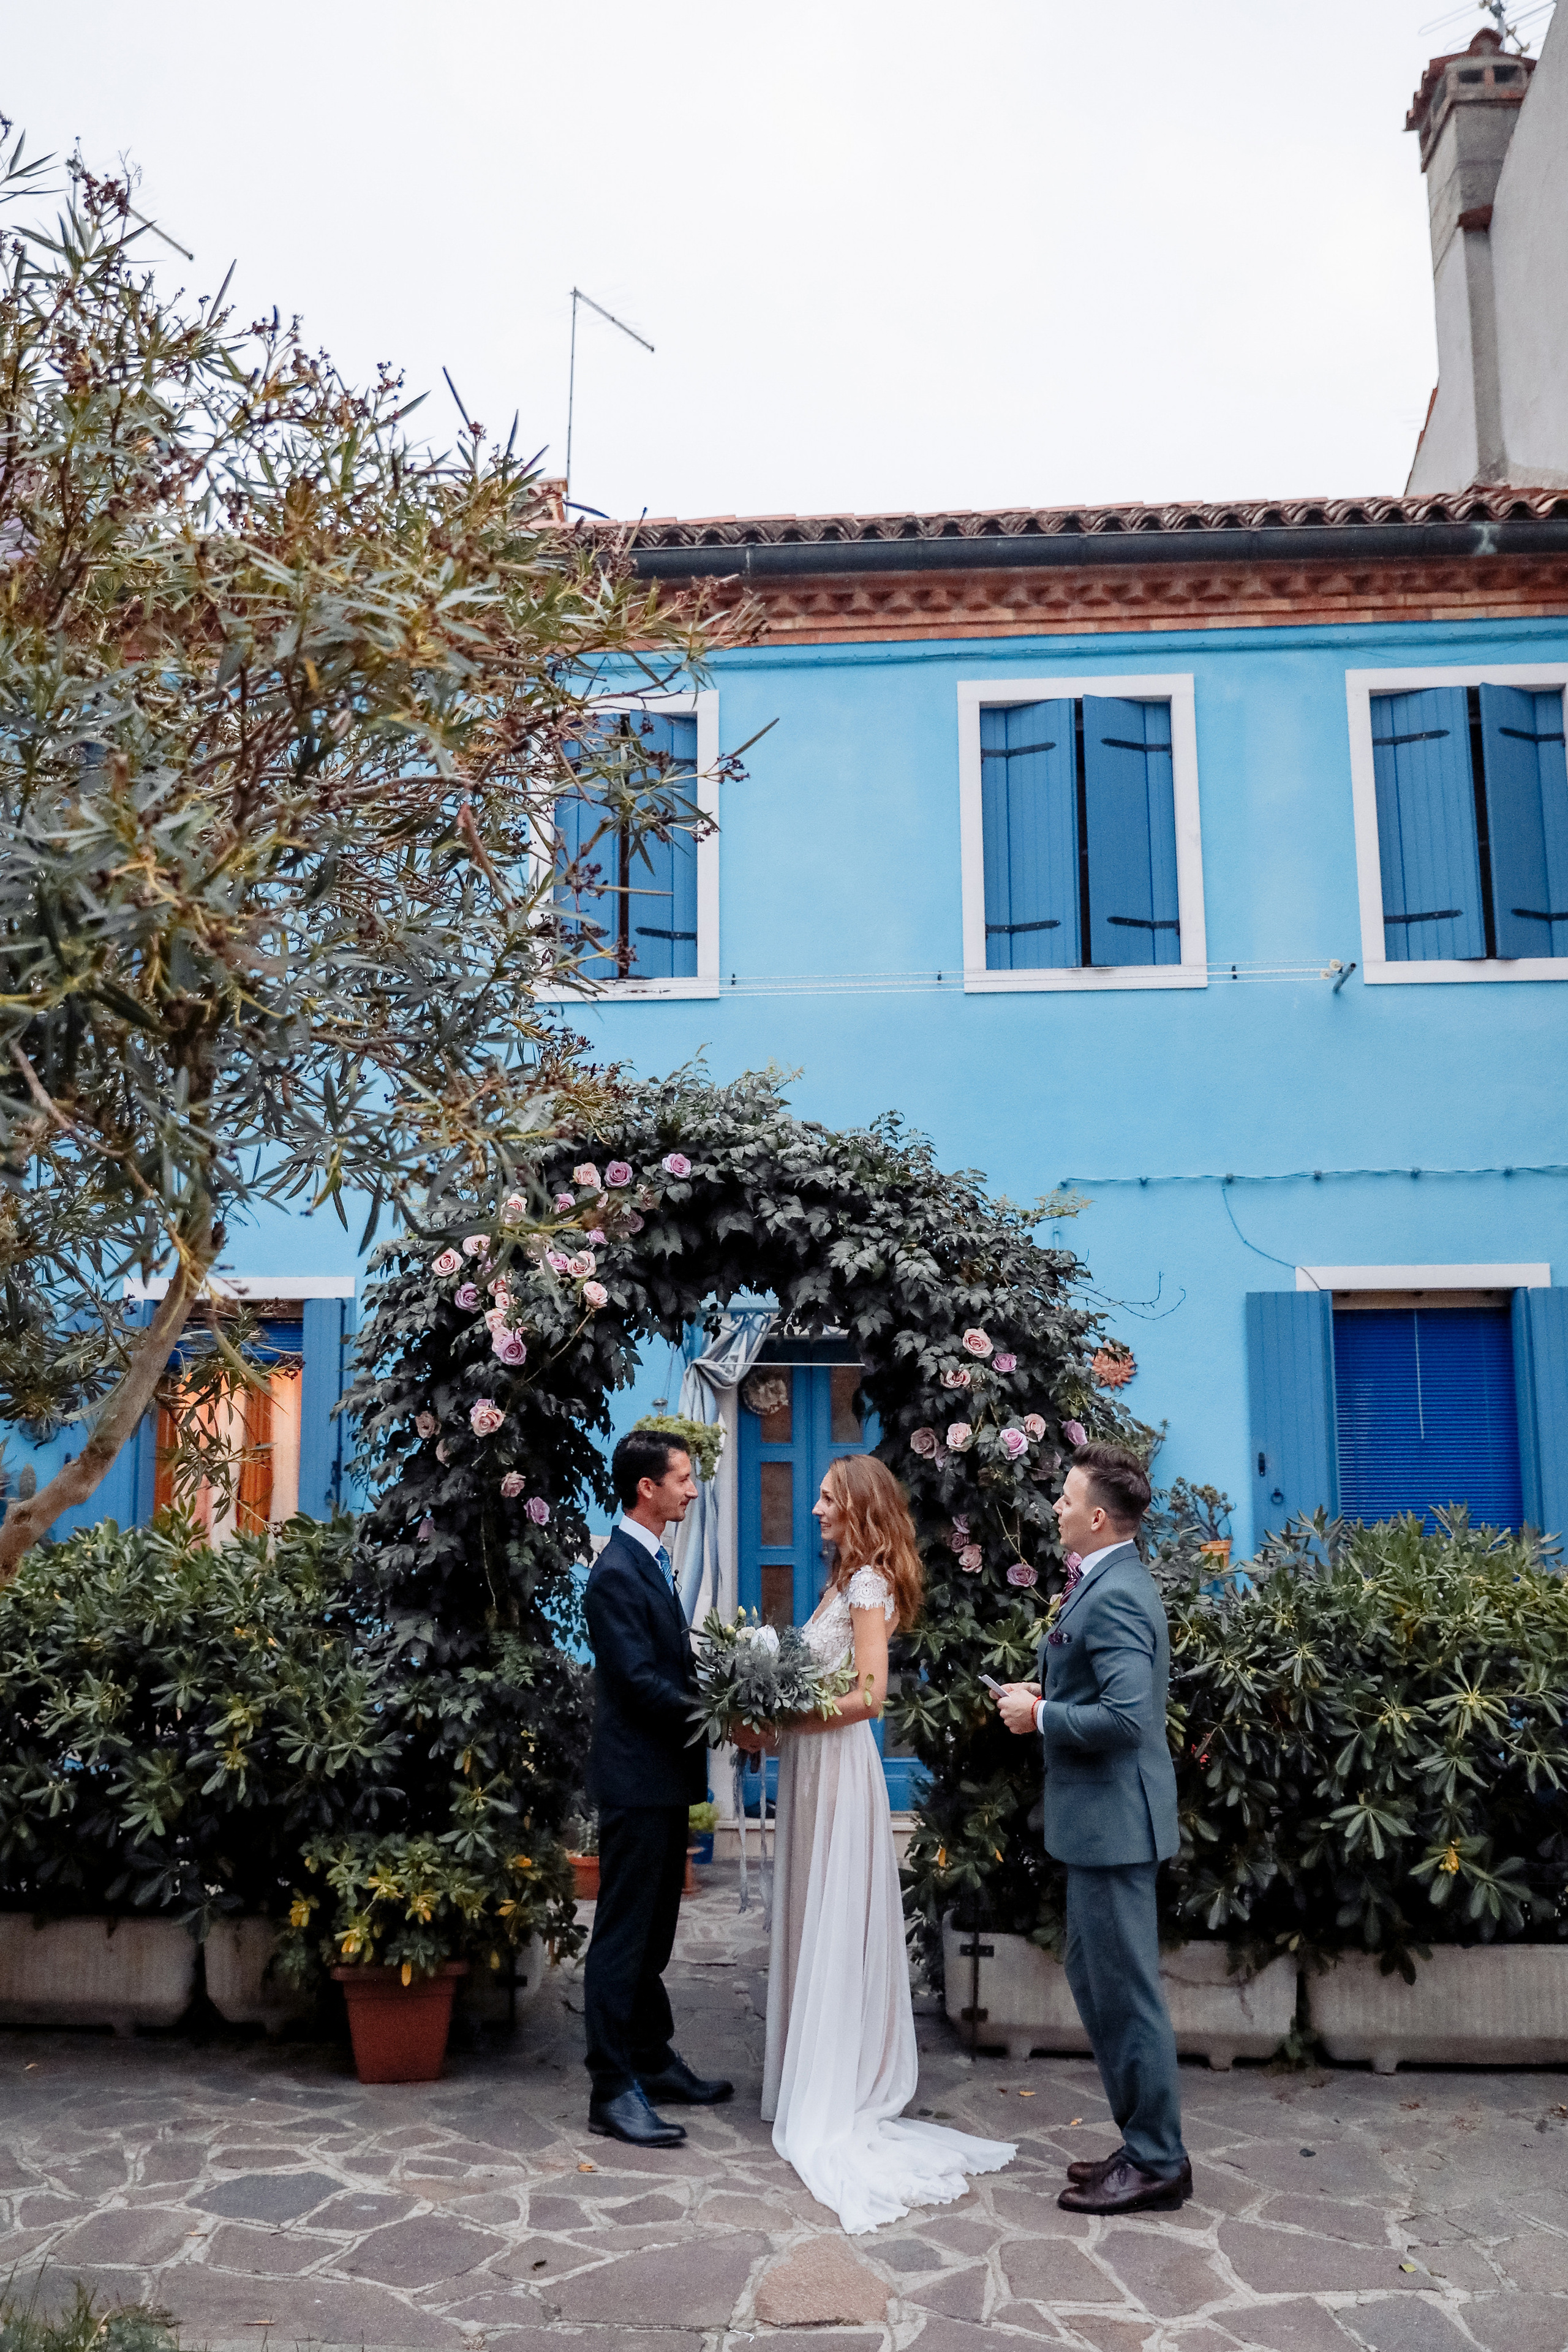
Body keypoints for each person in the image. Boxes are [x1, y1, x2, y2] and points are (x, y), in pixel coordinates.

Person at [742, 1453, 1015, 2233]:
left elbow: (867, 1695)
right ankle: (808, 2072)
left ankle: (843, 2082)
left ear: (860, 1507)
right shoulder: (839, 1581)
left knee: (834, 1913)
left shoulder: (866, 1586)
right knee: (809, 1909)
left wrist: (785, 1719)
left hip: (836, 1768)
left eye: (828, 1498)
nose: (816, 1508)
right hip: (809, 1768)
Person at [996, 1440, 1191, 2214]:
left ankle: (1156, 2160)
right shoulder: (1105, 1583)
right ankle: (1143, 2142)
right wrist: (1040, 1692)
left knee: (1125, 1993)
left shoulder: (1114, 1592)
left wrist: (1039, 1714)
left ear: (1099, 1517)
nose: (1057, 1509)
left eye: (1067, 1499)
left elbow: (1125, 1716)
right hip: (1100, 1825)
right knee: (1100, 1984)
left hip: (1116, 1827)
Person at [581, 1430, 734, 2147]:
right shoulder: (615, 1571)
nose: (692, 1490)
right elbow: (639, 1684)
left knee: (654, 1939)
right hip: (637, 1782)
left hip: (663, 1780)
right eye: (683, 1478)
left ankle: (651, 2057)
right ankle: (611, 2088)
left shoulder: (652, 1561)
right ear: (647, 1488)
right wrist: (722, 1713)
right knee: (623, 1938)